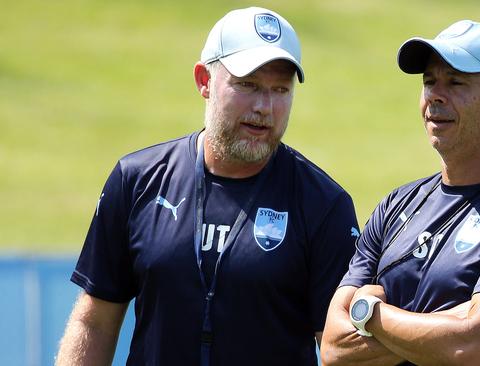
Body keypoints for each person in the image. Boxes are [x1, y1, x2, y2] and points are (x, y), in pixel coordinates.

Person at [55, 7, 360, 366]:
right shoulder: (136, 180)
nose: (264, 107)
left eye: (280, 89)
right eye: (247, 85)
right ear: (204, 80)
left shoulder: (324, 204)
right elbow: (95, 322)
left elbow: (339, 350)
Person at [320, 20, 480, 366]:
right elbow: (333, 348)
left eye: (455, 82)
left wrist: (370, 313)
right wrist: (449, 324)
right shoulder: (395, 205)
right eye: (429, 82)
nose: (435, 95)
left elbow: (471, 349)